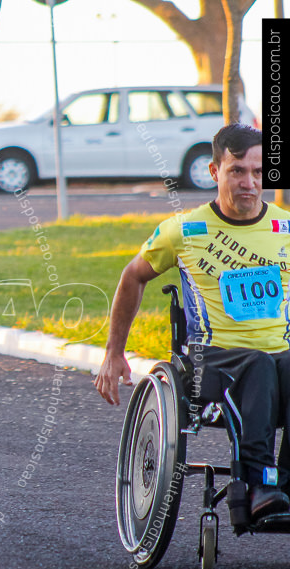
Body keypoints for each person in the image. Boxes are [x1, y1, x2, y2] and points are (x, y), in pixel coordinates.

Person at [94, 123, 290, 520]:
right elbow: (132, 276)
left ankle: (281, 484)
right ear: (215, 172)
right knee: (258, 365)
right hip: (211, 361)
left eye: (257, 172)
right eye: (237, 171)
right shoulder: (183, 231)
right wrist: (113, 353)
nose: (249, 183)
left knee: (273, 364)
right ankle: (258, 485)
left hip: (278, 355)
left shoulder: (284, 227)